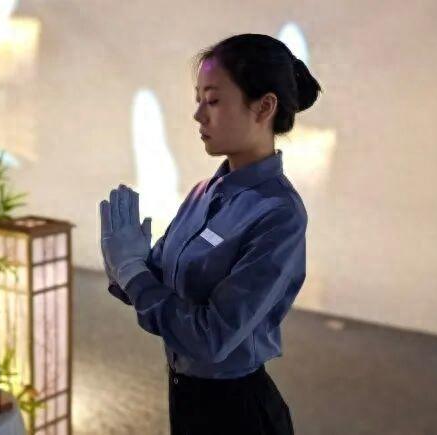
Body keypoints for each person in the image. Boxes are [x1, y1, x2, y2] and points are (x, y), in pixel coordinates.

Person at [98, 33, 321, 434]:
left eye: (213, 101)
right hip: (184, 394)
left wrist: (133, 273)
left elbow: (210, 338)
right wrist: (125, 264)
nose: (198, 115)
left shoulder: (279, 214)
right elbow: (156, 283)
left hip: (237, 411)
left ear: (264, 106)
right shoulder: (204, 192)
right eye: (198, 99)